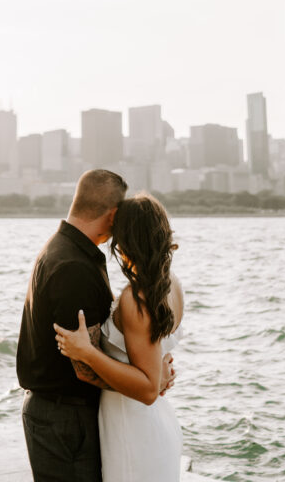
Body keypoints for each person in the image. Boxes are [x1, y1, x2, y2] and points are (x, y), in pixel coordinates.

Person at [16, 171, 175, 482]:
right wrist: (150, 382)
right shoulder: (75, 266)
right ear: (113, 214)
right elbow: (83, 367)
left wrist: (152, 366)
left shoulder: (63, 248)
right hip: (65, 417)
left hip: (59, 412)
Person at [54, 193, 184, 482]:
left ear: (125, 240)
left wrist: (87, 352)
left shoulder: (136, 298)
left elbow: (149, 389)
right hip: (156, 425)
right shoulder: (171, 284)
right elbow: (153, 353)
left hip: (132, 428)